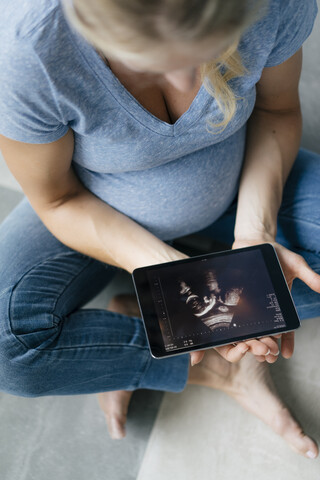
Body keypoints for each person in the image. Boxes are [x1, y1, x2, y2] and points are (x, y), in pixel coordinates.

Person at [0, 0, 319, 460]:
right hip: (98, 207)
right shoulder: (30, 48)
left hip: (241, 180)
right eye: (155, 67)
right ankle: (213, 366)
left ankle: (164, 324)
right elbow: (58, 198)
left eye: (204, 53)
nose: (186, 79)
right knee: (9, 348)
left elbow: (277, 112)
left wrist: (257, 230)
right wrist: (166, 275)